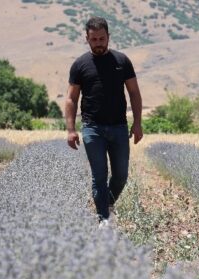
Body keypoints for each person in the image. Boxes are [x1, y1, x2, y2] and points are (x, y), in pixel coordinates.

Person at [65, 16, 143, 225]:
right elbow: (71, 99)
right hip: (92, 128)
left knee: (121, 176)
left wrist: (137, 123)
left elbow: (134, 93)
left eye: (101, 39)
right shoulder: (80, 65)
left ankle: (106, 202)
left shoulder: (122, 61)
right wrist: (71, 129)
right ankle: (103, 220)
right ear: (87, 39)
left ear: (108, 36)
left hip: (119, 127)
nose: (98, 43)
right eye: (94, 40)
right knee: (99, 176)